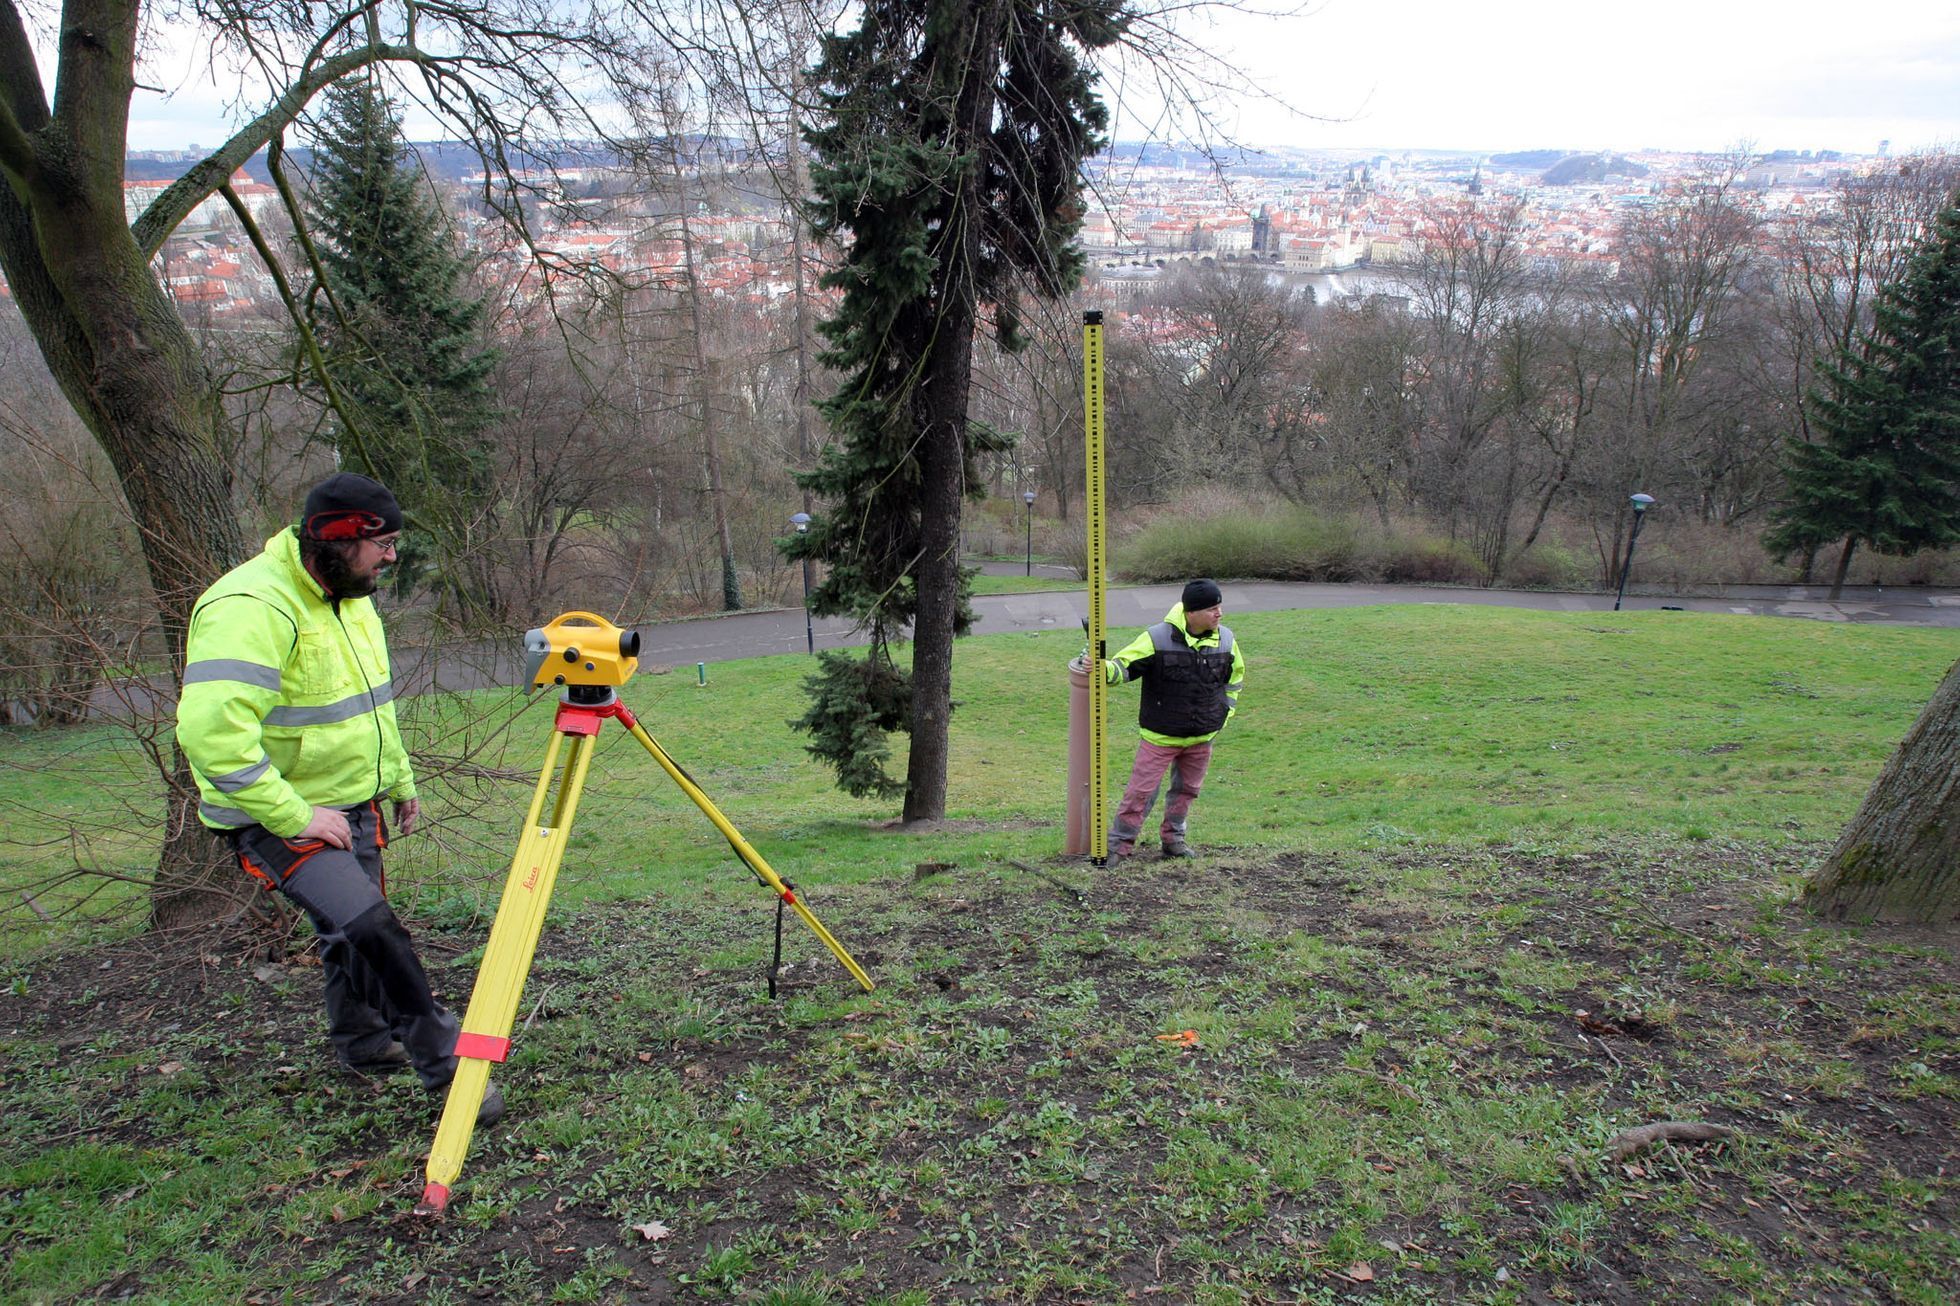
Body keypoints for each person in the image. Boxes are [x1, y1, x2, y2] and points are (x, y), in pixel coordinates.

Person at [175, 472, 501, 1125]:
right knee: (372, 929)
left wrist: (399, 780)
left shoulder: (351, 597)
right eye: (380, 542)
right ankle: (445, 1063)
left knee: (348, 930)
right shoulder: (251, 606)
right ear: (334, 540)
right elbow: (210, 736)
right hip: (275, 814)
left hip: (353, 803)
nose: (391, 556)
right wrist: (296, 815)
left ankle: (360, 1041)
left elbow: (370, 709)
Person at [1102, 578, 1245, 860]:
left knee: (1187, 791)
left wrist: (1223, 713)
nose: (1219, 614)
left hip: (1202, 737)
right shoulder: (1156, 638)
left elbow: (1235, 678)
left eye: (1220, 607)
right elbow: (1122, 668)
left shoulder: (1226, 640)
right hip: (1160, 737)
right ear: (1191, 612)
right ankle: (1117, 846)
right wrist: (1102, 670)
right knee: (1140, 794)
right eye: (1212, 609)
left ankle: (1174, 841)